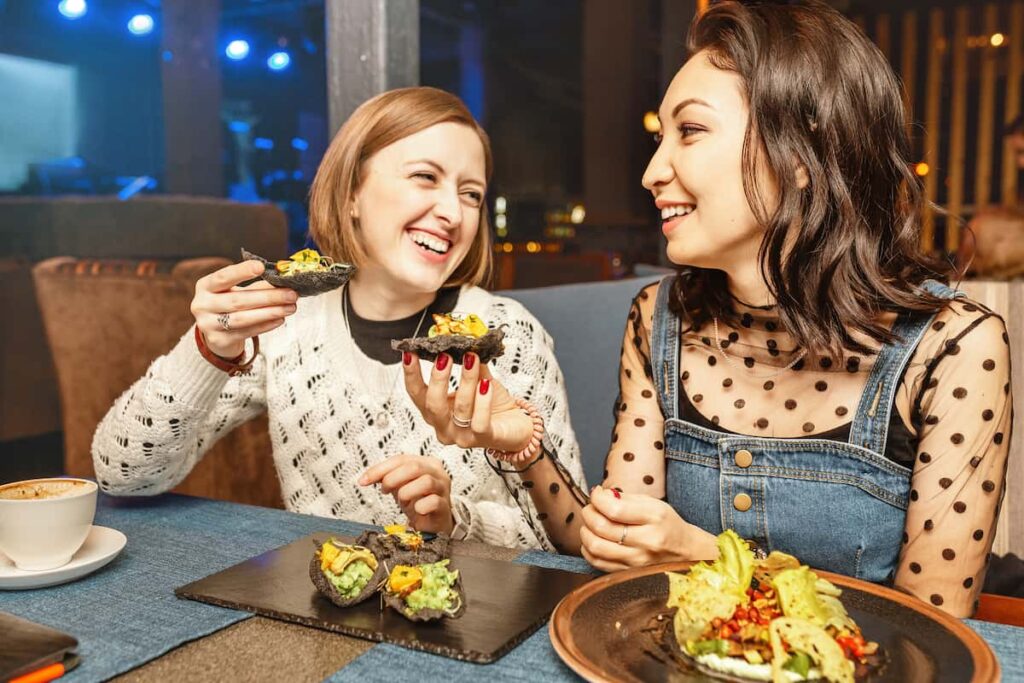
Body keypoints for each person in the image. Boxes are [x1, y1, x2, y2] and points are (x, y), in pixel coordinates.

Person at [405, 1, 1012, 617]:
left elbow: (933, 630)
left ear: (799, 155)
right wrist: (523, 446)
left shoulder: (951, 347)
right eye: (658, 137)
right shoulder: (659, 317)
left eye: (690, 132)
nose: (651, 171)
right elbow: (615, 547)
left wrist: (705, 560)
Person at [92, 87, 584, 551]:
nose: (453, 213)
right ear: (351, 194)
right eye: (425, 177)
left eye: (471, 194)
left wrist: (453, 519)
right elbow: (125, 474)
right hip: (320, 609)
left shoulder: (511, 334)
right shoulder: (289, 326)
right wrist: (207, 349)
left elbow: (569, 543)